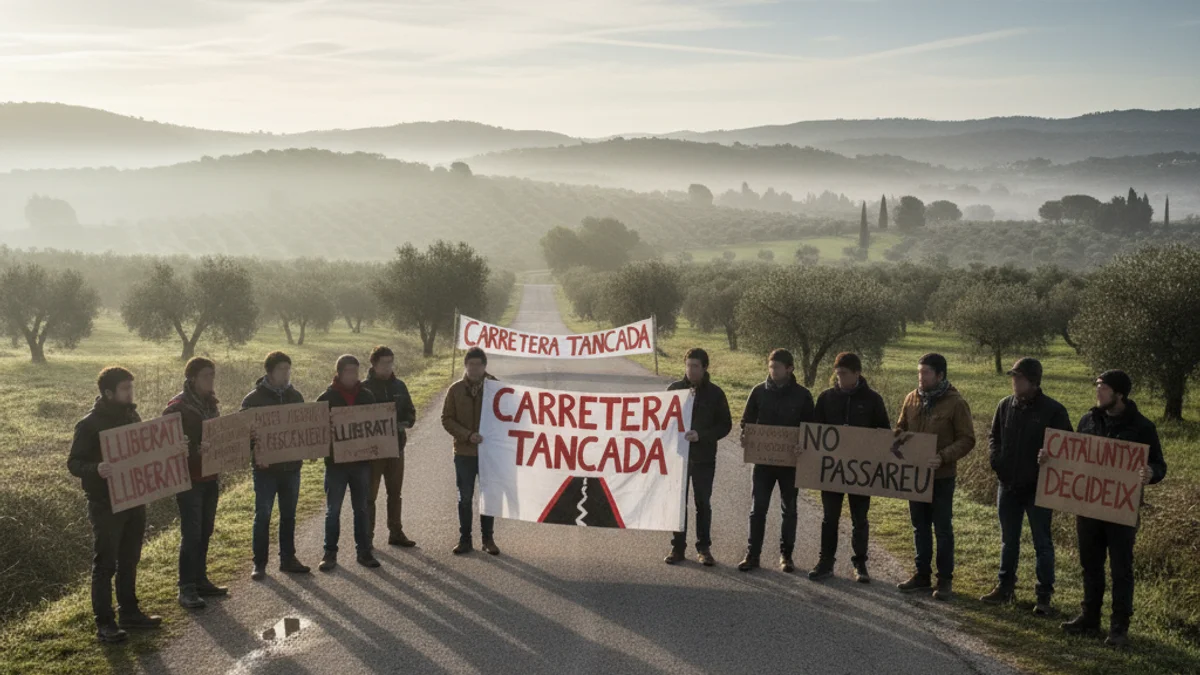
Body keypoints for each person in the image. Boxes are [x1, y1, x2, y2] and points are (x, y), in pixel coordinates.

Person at [1053, 370, 1166, 648]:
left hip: (1120, 511)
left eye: (1102, 387)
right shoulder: (1088, 420)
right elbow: (1074, 458)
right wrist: (1050, 458)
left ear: (1119, 394)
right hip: (1088, 508)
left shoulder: (1142, 427)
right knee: (1090, 565)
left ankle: (1119, 628)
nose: (1097, 391)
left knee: (1121, 569)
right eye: (1098, 386)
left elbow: (1160, 465)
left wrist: (1151, 472)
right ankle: (1089, 617)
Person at [68, 367, 162, 643]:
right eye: (125, 389)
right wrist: (96, 468)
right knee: (106, 563)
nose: (131, 393)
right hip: (105, 503)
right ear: (108, 393)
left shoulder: (132, 416)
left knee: (130, 558)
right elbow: (73, 463)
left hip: (134, 498)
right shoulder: (89, 425)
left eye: (131, 388)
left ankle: (130, 613)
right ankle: (105, 623)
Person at [981, 357, 1071, 615]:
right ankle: (1004, 587)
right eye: (1013, 376)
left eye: (1018, 377)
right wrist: (996, 461)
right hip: (1007, 485)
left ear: (1033, 382)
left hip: (1039, 489)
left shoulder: (1054, 410)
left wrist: (1050, 458)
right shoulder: (1004, 405)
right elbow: (994, 437)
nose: (1014, 381)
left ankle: (1043, 597)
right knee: (1008, 540)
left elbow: (1070, 447)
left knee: (1042, 543)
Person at [895, 353, 975, 601]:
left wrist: (942, 457)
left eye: (926, 373)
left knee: (942, 528)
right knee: (919, 526)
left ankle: (945, 580)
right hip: (915, 475)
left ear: (940, 375)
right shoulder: (911, 399)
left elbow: (967, 439)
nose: (921, 378)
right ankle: (921, 575)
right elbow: (901, 428)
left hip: (942, 476)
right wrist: (892, 439)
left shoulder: (956, 403)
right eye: (919, 372)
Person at [809, 352, 891, 583]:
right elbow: (815, 431)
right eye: (837, 373)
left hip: (860, 471)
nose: (839, 378)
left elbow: (883, 432)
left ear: (857, 373)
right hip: (832, 470)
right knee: (829, 518)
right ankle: (825, 562)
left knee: (860, 519)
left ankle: (860, 564)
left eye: (844, 374)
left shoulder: (873, 400)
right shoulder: (826, 398)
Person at [738, 349, 814, 573]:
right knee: (757, 509)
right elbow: (746, 421)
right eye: (770, 367)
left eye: (777, 368)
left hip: (790, 464)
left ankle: (786, 556)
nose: (772, 372)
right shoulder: (758, 392)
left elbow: (811, 428)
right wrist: (746, 436)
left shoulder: (803, 395)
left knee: (789, 510)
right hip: (762, 464)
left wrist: (803, 444)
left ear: (789, 369)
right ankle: (752, 555)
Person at [242, 351, 311, 581]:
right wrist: (252, 443)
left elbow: (304, 430)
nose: (286, 373)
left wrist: (311, 448)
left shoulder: (296, 396)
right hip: (265, 470)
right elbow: (243, 439)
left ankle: (288, 559)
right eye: (282, 369)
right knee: (263, 515)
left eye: (288, 369)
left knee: (289, 515)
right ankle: (259, 563)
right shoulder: (252, 400)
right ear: (269, 372)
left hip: (291, 468)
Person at [165, 357, 227, 610]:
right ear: (191, 378)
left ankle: (200, 579)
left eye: (213, 374)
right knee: (191, 534)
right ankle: (186, 587)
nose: (211, 379)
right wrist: (194, 452)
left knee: (205, 531)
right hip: (189, 480)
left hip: (210, 477)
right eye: (205, 375)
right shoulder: (176, 408)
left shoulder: (211, 404)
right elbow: (169, 445)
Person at [664, 348, 732, 566]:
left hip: (704, 458)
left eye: (695, 366)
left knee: (702, 503)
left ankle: (704, 549)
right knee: (678, 504)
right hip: (678, 458)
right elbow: (662, 422)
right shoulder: (674, 390)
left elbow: (725, 425)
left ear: (704, 367)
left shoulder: (716, 394)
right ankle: (677, 548)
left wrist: (701, 435)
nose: (691, 370)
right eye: (688, 365)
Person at [317, 354, 379, 571]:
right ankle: (329, 554)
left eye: (355, 371)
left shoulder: (367, 396)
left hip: (361, 463)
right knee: (333, 510)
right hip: (335, 465)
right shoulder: (326, 398)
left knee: (361, 508)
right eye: (348, 371)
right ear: (339, 373)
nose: (353, 376)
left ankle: (364, 552)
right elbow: (318, 432)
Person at [441, 347, 499, 555]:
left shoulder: (497, 389)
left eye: (479, 364)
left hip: (489, 454)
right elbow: (446, 419)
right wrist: (466, 435)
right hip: (464, 452)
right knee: (464, 497)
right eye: (471, 364)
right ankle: (465, 539)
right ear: (465, 365)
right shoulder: (455, 390)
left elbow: (509, 418)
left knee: (488, 497)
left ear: (485, 366)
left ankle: (488, 539)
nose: (474, 368)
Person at [364, 346, 418, 548]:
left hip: (396, 448)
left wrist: (402, 424)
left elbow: (411, 413)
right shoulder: (364, 388)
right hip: (372, 452)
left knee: (395, 493)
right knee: (369, 496)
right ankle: (367, 537)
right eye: (384, 363)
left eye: (391, 362)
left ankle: (396, 532)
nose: (388, 367)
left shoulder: (400, 386)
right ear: (374, 364)